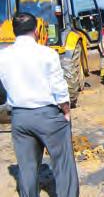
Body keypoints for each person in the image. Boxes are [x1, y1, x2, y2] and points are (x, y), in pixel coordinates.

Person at [0, 12, 79, 197]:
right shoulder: (47, 53)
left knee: (27, 168)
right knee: (63, 163)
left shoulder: (2, 56)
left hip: (19, 118)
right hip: (48, 116)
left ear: (13, 31)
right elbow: (59, 88)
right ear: (36, 31)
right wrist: (66, 111)